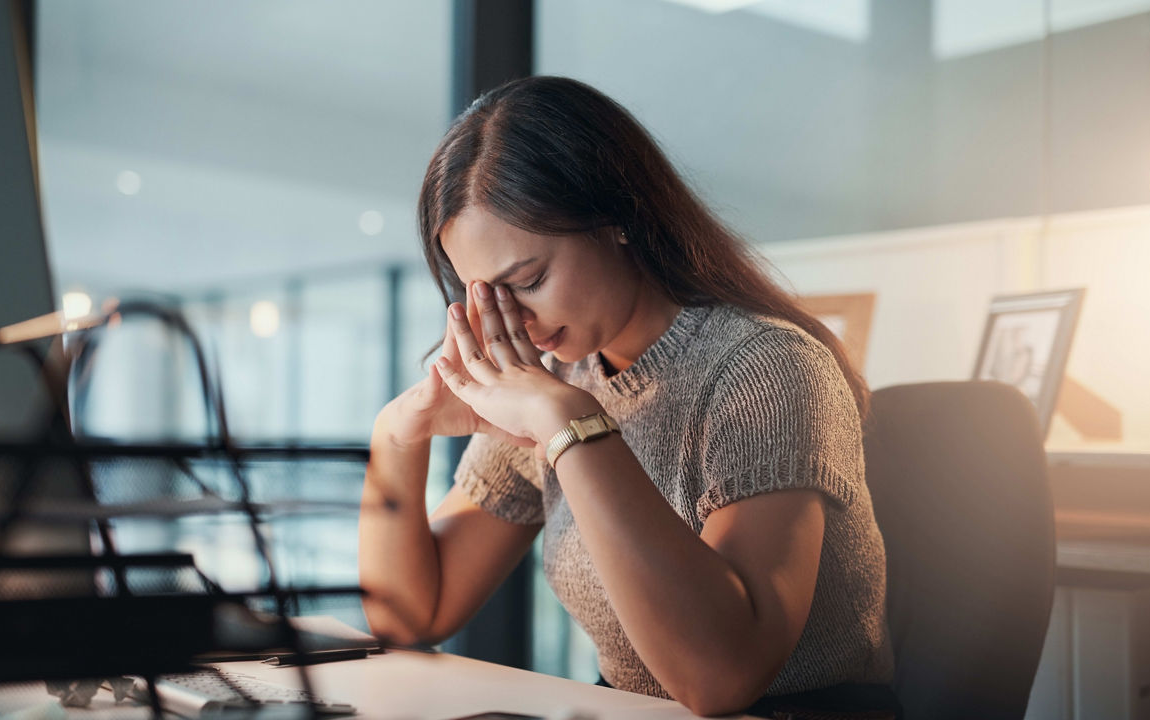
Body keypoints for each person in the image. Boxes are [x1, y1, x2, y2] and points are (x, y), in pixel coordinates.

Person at [358, 76, 896, 718]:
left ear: (617, 218)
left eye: (528, 280)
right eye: (485, 295)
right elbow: (413, 614)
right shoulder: (561, 378)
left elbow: (722, 679)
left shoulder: (764, 368)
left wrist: (569, 422)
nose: (514, 320)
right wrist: (398, 433)